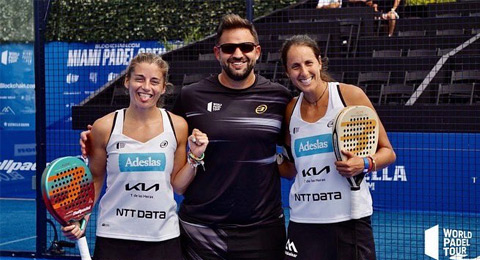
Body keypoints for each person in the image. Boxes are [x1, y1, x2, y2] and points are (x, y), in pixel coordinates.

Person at [80, 14, 292, 259]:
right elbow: (160, 136)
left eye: (245, 47)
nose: (237, 54)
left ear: (256, 51)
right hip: (201, 230)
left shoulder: (279, 97)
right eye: (228, 48)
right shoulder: (192, 96)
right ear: (217, 52)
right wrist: (95, 138)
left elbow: (295, 147)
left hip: (262, 229)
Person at [64, 52, 209, 260]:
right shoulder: (104, 126)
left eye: (154, 81)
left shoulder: (178, 125)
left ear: (163, 87)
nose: (146, 87)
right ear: (127, 81)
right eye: (139, 78)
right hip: (114, 235)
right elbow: (95, 179)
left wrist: (195, 157)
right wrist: (82, 217)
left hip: (163, 236)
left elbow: (178, 185)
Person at [278, 35, 396, 260]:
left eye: (308, 63)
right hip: (303, 221)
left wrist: (363, 163)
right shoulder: (290, 109)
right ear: (287, 72)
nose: (303, 72)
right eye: (295, 66)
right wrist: (260, 157)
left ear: (320, 62)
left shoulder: (348, 95)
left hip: (349, 220)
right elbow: (291, 169)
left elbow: (388, 152)